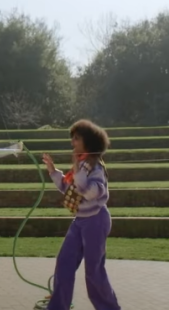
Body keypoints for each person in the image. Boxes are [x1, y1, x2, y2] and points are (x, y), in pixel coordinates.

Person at [41, 120, 121, 310]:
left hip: (96, 220)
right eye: (72, 139)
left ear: (88, 141)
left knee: (94, 271)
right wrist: (53, 171)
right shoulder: (81, 165)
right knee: (64, 262)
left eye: (76, 139)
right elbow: (69, 190)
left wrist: (78, 172)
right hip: (80, 221)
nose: (72, 143)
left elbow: (91, 192)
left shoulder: (95, 167)